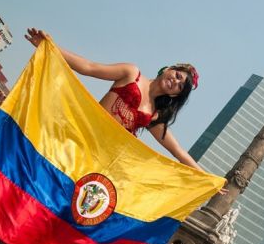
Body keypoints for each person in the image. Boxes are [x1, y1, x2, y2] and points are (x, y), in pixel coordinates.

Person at [25, 28, 213, 171]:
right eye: (178, 75)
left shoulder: (154, 116)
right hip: (76, 137)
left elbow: (177, 151)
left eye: (180, 87)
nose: (176, 82)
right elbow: (89, 67)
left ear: (174, 95)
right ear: (167, 69)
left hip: (99, 160)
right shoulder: (131, 73)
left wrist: (206, 178)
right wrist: (50, 46)